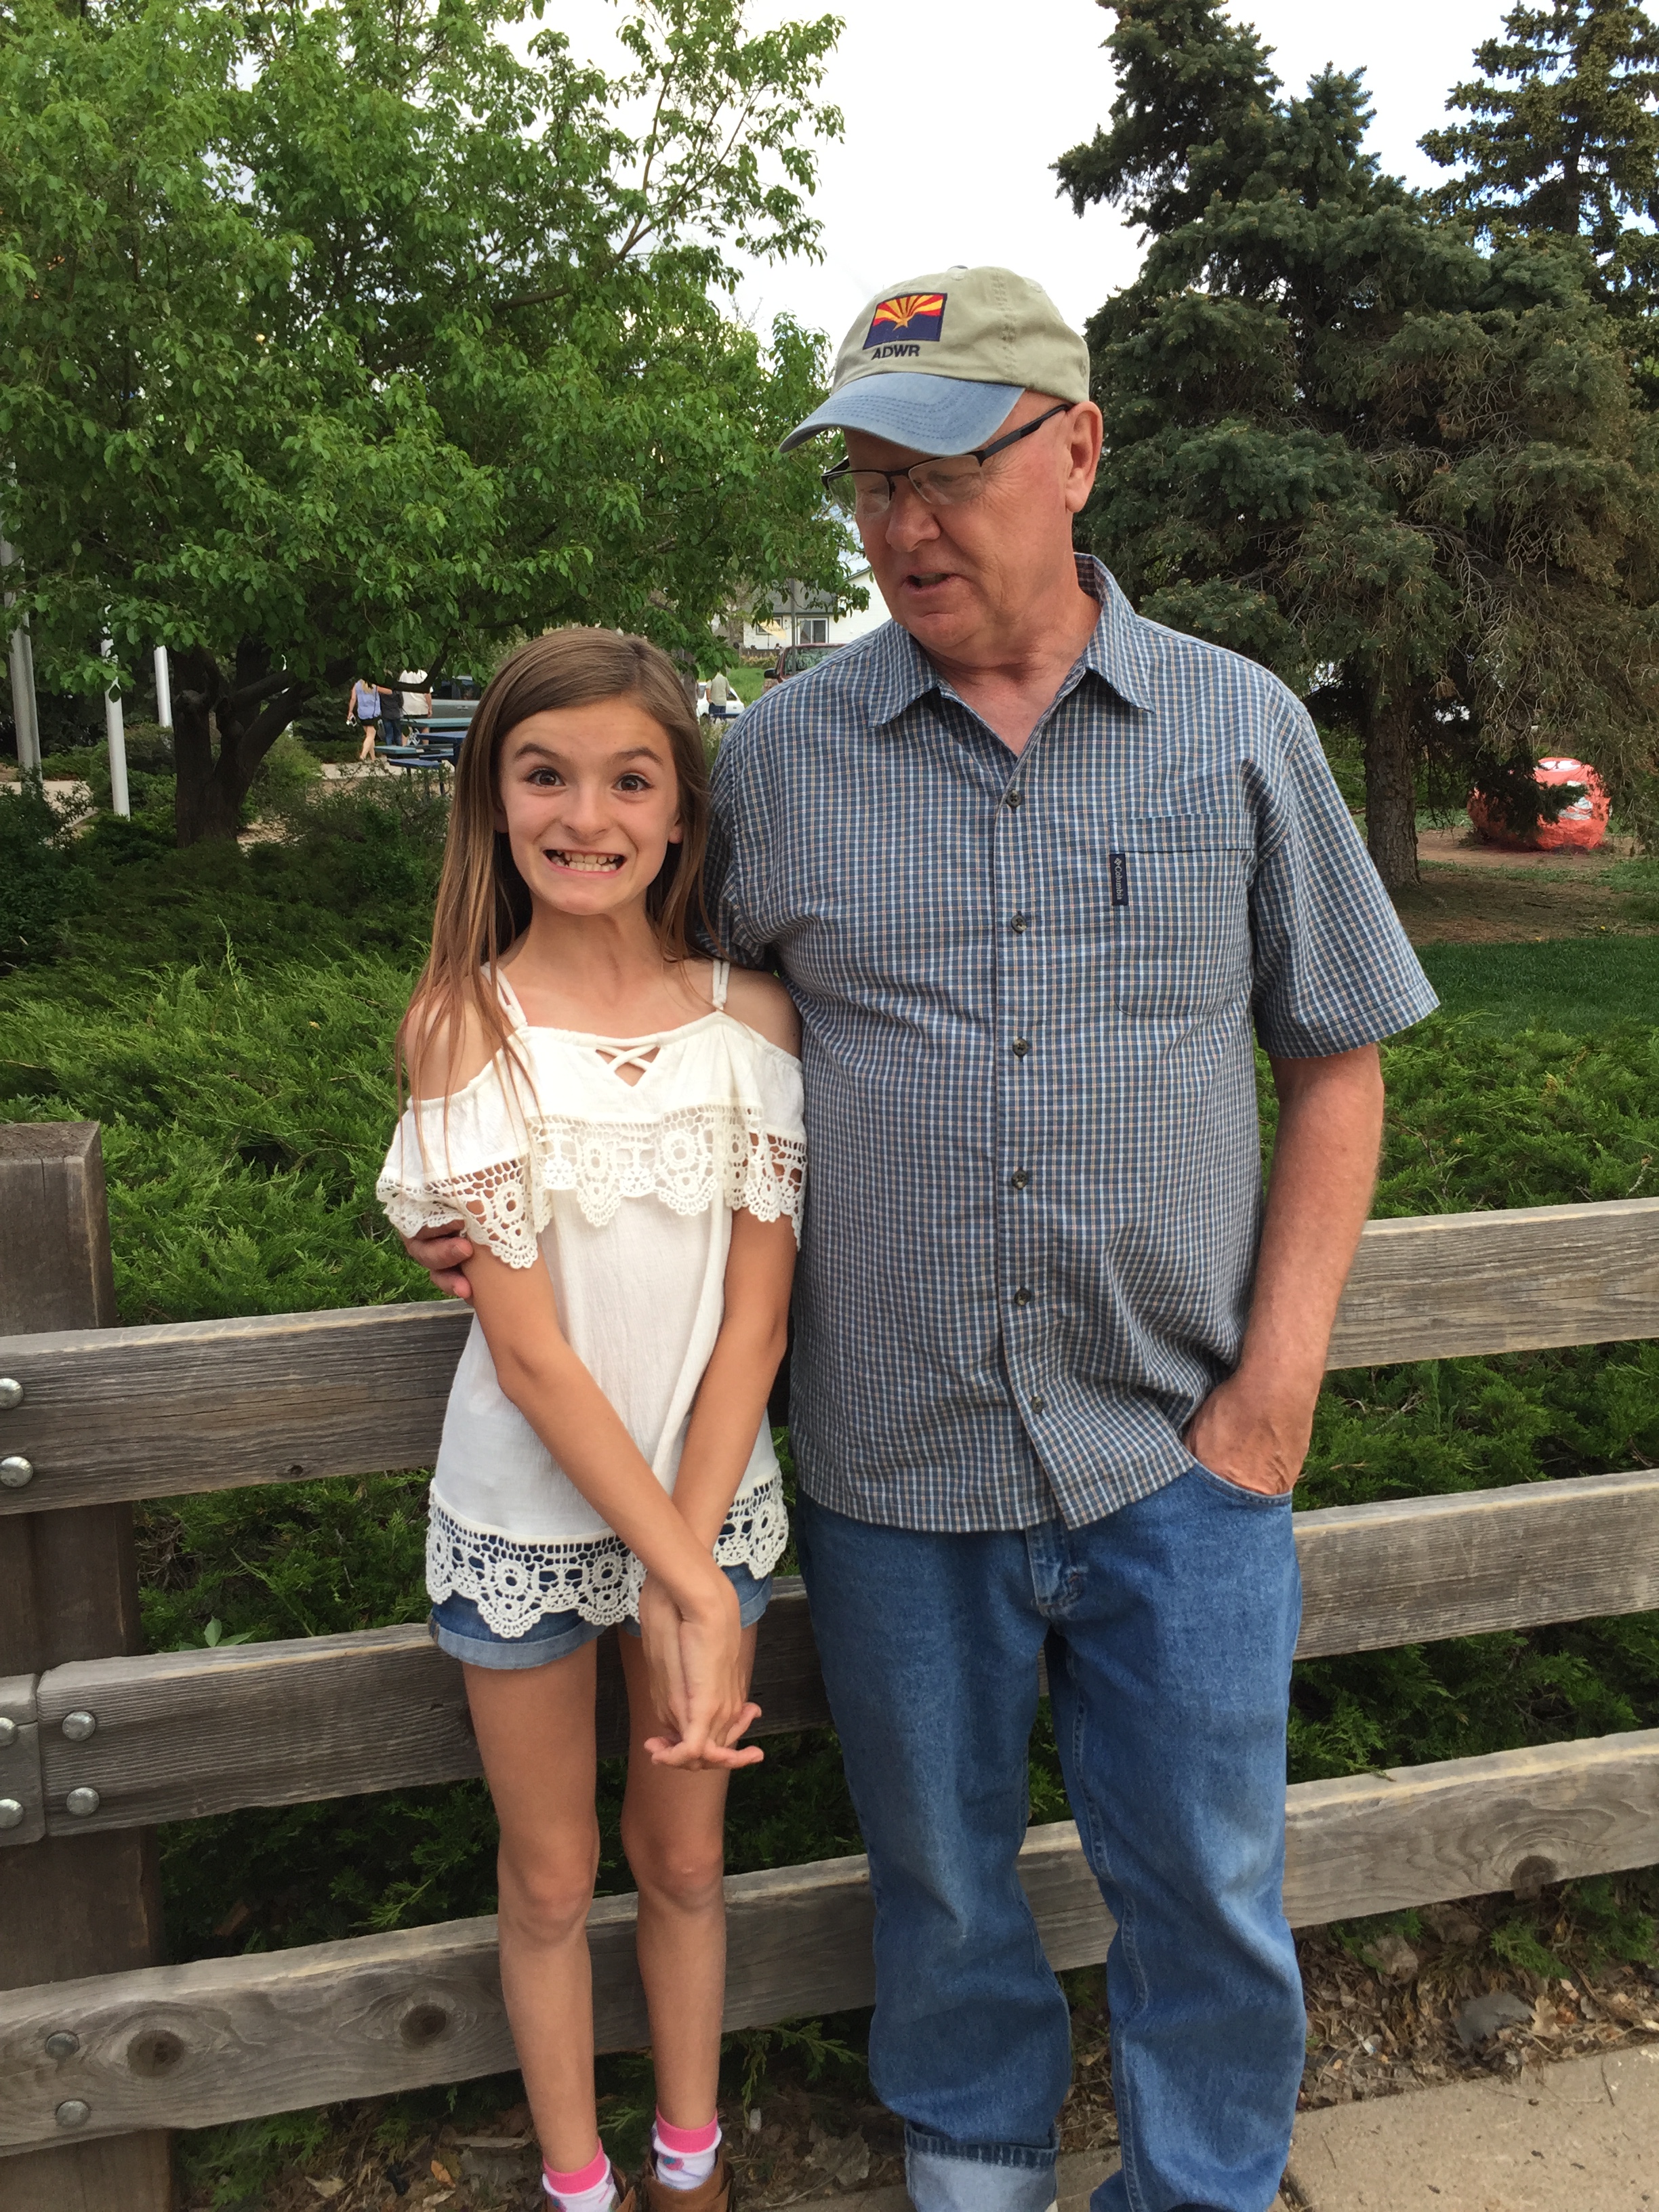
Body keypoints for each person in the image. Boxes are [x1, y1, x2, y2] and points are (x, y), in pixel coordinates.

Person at [401, 266, 1438, 2212]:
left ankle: (1202, 2190)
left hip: (1177, 1447)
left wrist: (1275, 1391)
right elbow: (646, 1027)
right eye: (873, 483)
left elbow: (1337, 1059)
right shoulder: (783, 759)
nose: (902, 524)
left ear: (1078, 453)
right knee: (943, 1880)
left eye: (946, 473)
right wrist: (480, 1194)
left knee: (1207, 1881)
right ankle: (975, 2174)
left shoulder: (1238, 727)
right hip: (885, 1460)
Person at [377, 627, 804, 2212]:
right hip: (525, 1523)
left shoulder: (753, 1024)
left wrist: (695, 1572)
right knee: (552, 1879)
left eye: (630, 780)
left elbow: (755, 1321)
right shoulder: (464, 1026)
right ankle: (579, 2184)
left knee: (684, 1861)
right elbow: (533, 1354)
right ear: (491, 801)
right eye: (543, 775)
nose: (585, 815)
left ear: (680, 811)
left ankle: (691, 2165)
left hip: (709, 1509)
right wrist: (686, 1591)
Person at [348, 673, 382, 763]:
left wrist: (350, 711)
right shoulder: (375, 686)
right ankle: (363, 756)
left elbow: (353, 699)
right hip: (373, 714)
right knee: (371, 736)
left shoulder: (357, 685)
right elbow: (389, 691)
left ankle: (373, 758)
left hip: (362, 713)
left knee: (369, 736)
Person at [377, 678, 405, 751]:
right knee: (398, 734)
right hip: (396, 713)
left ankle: (389, 752)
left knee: (388, 734)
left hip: (385, 713)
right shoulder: (397, 690)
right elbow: (401, 702)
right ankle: (400, 751)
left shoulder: (382, 690)